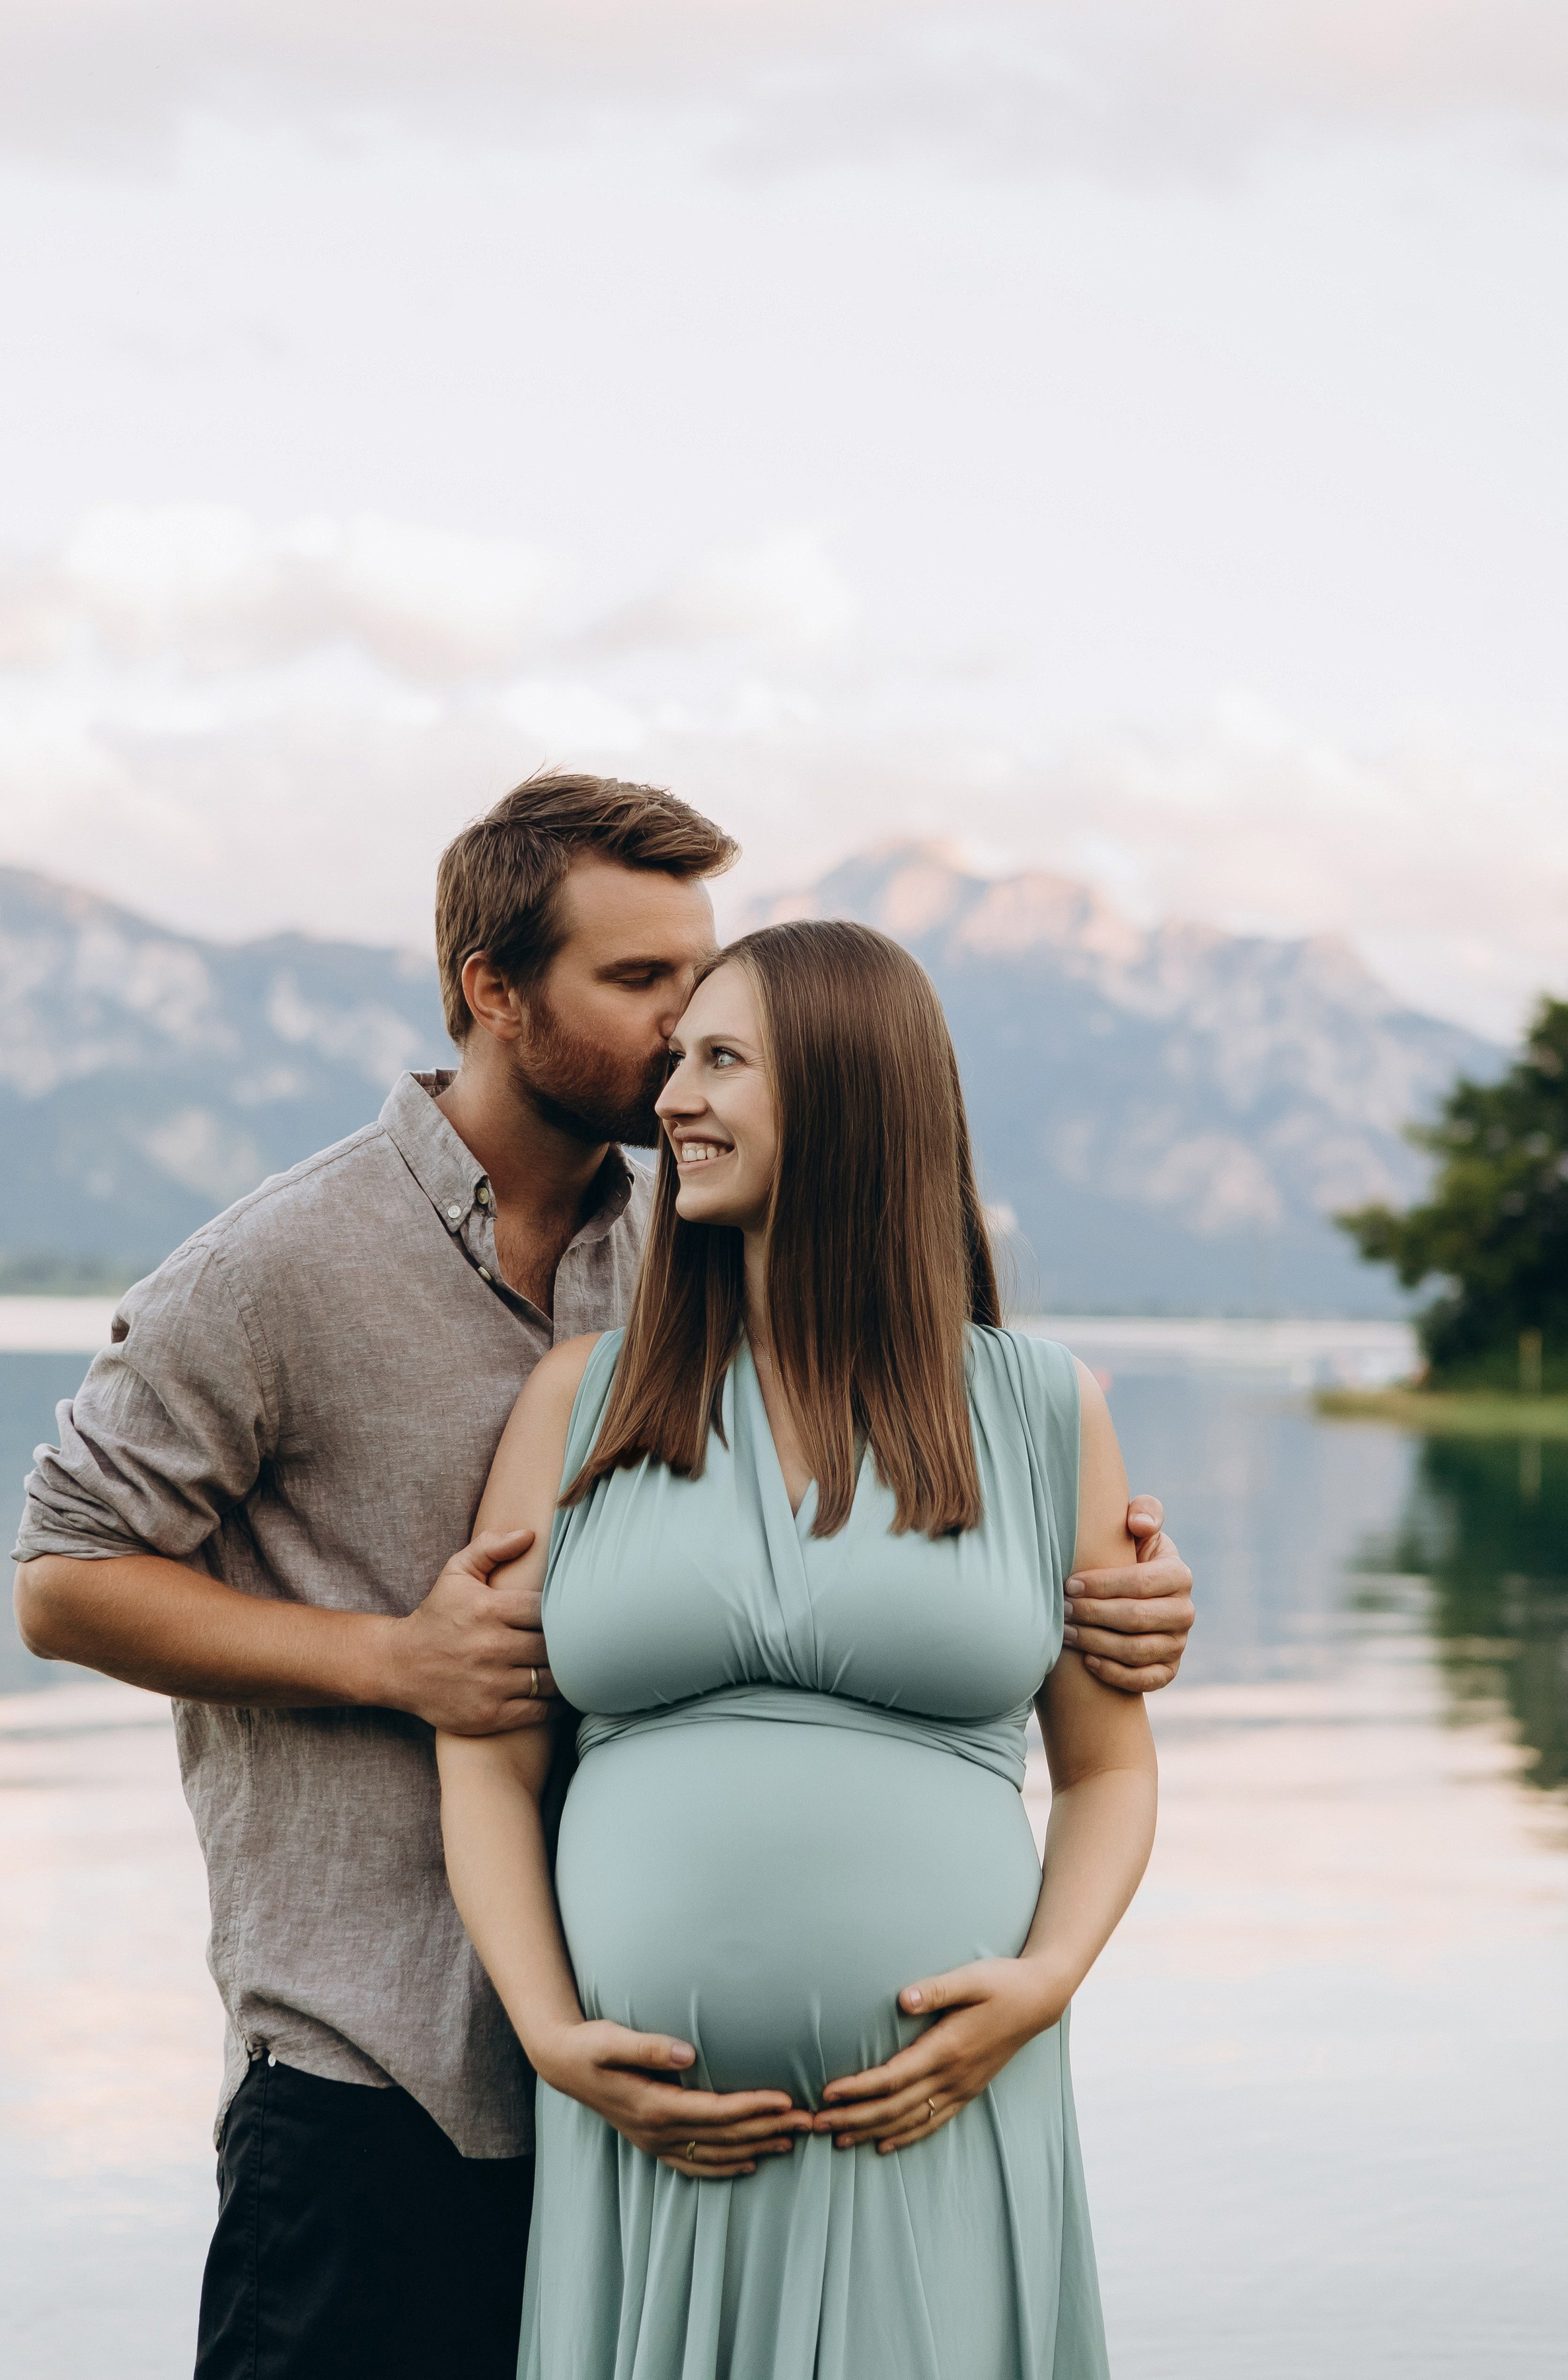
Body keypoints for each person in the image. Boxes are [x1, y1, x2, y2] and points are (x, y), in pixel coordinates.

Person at [11, 773, 1193, 2380]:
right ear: (494, 994)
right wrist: (388, 1662)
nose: (672, 1045)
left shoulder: (677, 1250)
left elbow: (936, 1505)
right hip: (385, 2069)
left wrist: (1115, 1590)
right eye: (641, 990)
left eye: (702, 1006)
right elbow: (61, 1578)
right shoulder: (281, 1264)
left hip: (640, 2107)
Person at [437, 920, 1156, 2380]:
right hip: (644, 2146)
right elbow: (486, 1761)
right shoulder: (579, 1404)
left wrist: (1041, 1984)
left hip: (942, 2118)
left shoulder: (1037, 1410)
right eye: (674, 1060)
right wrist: (552, 2033)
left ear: (846, 1094)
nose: (669, 1101)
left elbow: (1104, 1774)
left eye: (719, 1062)